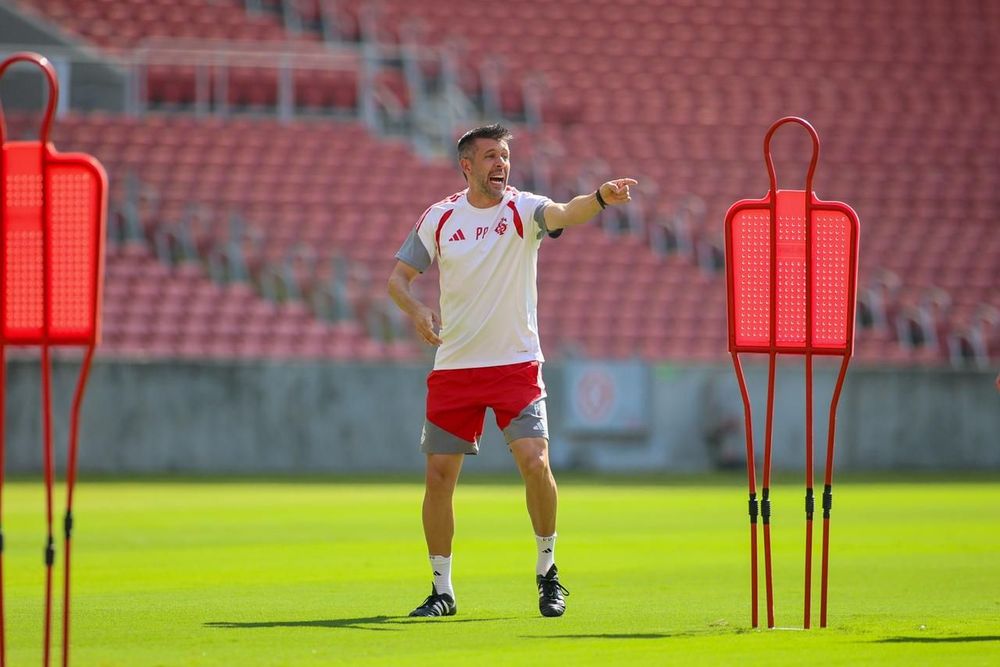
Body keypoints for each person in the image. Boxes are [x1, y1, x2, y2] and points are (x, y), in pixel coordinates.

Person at [388, 123, 636, 618]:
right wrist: (417, 311)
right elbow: (398, 278)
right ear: (466, 165)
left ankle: (548, 574)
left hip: (515, 365)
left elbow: (566, 211)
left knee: (535, 463)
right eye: (489, 157)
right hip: (455, 366)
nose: (500, 164)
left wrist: (600, 198)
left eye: (504, 156)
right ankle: (442, 590)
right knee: (438, 477)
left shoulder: (524, 209)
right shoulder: (439, 218)